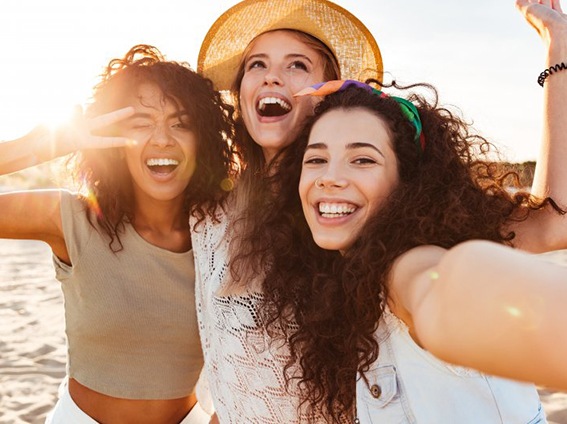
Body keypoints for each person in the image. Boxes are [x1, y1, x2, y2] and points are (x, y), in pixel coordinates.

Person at [192, 0, 567, 422]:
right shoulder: (211, 215)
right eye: (257, 64)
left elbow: (447, 285)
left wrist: (558, 47)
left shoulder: (387, 227)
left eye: (297, 64)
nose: (273, 75)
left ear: (328, 92)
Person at [0, 44, 236, 424]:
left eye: (182, 123)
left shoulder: (222, 235)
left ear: (204, 141)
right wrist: (39, 147)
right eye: (141, 122)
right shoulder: (72, 218)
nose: (162, 139)